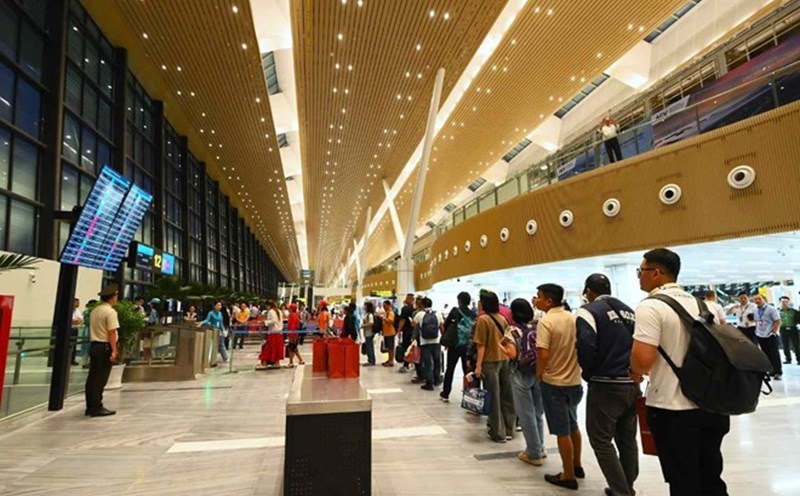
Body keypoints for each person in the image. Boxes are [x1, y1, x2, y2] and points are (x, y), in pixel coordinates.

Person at [631, 248, 730, 496]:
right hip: (710, 404)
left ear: (655, 273)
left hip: (672, 408)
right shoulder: (704, 305)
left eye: (640, 271)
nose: (639, 277)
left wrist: (632, 366)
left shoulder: (651, 307)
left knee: (683, 480)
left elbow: (642, 361)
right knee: (711, 477)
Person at [576, 274, 639, 496]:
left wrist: (590, 372)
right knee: (627, 439)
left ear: (589, 291)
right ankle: (627, 485)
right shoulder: (629, 310)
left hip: (605, 384)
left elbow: (585, 344)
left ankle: (621, 491)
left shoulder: (590, 311)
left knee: (601, 440)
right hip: (630, 382)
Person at [535, 283, 584, 490]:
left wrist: (539, 374)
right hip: (574, 381)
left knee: (561, 430)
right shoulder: (573, 318)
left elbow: (543, 353)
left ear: (549, 300)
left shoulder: (546, 321)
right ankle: (577, 465)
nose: (535, 300)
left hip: (554, 383)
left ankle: (568, 475)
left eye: (538, 296)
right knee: (573, 424)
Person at [507, 298, 546, 466]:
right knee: (537, 412)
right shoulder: (537, 327)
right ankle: (540, 448)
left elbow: (512, 354)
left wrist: (500, 346)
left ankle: (533, 453)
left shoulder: (513, 330)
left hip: (520, 373)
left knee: (525, 414)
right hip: (537, 372)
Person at [474, 291, 516, 443]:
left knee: (494, 397)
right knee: (507, 395)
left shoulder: (483, 320)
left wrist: (478, 366)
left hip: (490, 362)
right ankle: (510, 429)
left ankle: (498, 433)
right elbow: (507, 340)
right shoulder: (502, 318)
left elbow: (481, 346)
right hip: (504, 359)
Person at [85, 284, 120, 417]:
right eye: (116, 296)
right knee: (100, 379)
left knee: (92, 377)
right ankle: (96, 407)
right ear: (113, 297)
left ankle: (90, 406)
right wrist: (114, 350)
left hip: (94, 346)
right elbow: (111, 332)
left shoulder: (95, 310)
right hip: (104, 346)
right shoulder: (110, 312)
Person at [440, 292, 476, 402]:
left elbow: (446, 325)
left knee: (450, 369)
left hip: (455, 345)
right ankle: (471, 396)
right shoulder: (472, 314)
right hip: (467, 347)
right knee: (468, 371)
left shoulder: (455, 311)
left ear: (459, 300)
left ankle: (445, 394)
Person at [416, 297, 443, 391]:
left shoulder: (420, 314)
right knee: (437, 361)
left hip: (424, 342)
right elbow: (441, 327)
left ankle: (429, 383)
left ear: (422, 305)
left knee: (427, 363)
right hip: (436, 341)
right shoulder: (437, 314)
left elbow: (413, 324)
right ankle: (437, 380)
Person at [754, 294, 782, 380]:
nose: (757, 301)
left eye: (759, 299)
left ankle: (778, 371)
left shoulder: (771, 309)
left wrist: (773, 332)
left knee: (774, 353)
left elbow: (777, 321)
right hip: (760, 334)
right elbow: (756, 320)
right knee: (766, 354)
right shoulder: (755, 310)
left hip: (770, 334)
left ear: (764, 299)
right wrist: (757, 330)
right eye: (755, 299)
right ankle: (770, 370)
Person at [257, 300, 284, 369]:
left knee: (268, 347)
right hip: (279, 332)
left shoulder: (271, 312)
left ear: (268, 306)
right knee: (276, 348)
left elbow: (273, 320)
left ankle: (264, 363)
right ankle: (277, 362)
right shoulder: (279, 311)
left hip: (273, 332)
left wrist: (265, 322)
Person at [397, 294, 416, 373]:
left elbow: (403, 320)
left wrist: (399, 330)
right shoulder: (416, 309)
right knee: (414, 347)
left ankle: (406, 364)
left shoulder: (405, 309)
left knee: (406, 347)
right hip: (415, 332)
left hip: (407, 331)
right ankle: (415, 363)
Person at [778, 296, 800, 365]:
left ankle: (799, 359)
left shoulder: (794, 311)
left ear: (788, 302)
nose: (784, 303)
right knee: (785, 345)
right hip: (783, 329)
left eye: (786, 301)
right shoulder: (777, 311)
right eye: (782, 301)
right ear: (780, 302)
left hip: (793, 328)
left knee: (796, 345)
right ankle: (788, 359)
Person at [381, 300, 397, 367]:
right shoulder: (386, 312)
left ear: (388, 305)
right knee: (388, 348)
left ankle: (391, 361)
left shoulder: (390, 312)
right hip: (386, 332)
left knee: (391, 348)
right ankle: (389, 359)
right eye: (383, 306)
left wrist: (384, 319)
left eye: (385, 306)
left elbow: (391, 321)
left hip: (390, 332)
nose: (384, 307)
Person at [361, 301, 377, 366]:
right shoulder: (367, 314)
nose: (364, 307)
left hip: (369, 333)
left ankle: (371, 361)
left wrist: (364, 326)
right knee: (369, 346)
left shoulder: (370, 315)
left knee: (369, 347)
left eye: (365, 306)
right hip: (367, 333)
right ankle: (371, 360)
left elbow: (371, 323)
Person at [70, 298, 83, 366]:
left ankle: (72, 359)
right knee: (69, 345)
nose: (78, 304)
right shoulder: (69, 311)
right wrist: (75, 321)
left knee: (74, 345)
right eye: (76, 302)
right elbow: (70, 320)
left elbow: (80, 320)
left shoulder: (77, 311)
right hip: (70, 330)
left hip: (75, 329)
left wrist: (76, 321)